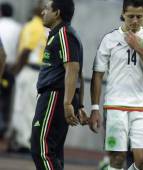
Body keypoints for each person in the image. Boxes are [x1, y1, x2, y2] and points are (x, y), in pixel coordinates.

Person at [89, 0, 143, 169]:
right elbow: (97, 74)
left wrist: (140, 48)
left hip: (142, 108)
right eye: (130, 16)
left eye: (139, 17)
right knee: (117, 159)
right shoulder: (109, 39)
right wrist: (95, 107)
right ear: (123, 14)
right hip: (115, 107)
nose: (134, 21)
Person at [30, 0, 87, 169]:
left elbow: (73, 68)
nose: (42, 12)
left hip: (54, 96)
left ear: (57, 13)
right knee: (52, 152)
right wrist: (79, 103)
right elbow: (77, 72)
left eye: (46, 9)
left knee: (42, 149)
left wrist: (69, 102)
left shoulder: (64, 34)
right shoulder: (60, 34)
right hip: (55, 97)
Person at [7, 0, 48, 153]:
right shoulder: (39, 27)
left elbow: (24, 50)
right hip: (32, 71)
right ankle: (22, 140)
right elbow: (25, 50)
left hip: (30, 71)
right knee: (26, 106)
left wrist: (16, 69)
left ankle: (23, 140)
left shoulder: (33, 26)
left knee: (23, 106)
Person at [0, 2, 21, 136]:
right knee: (6, 99)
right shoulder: (18, 28)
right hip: (10, 68)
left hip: (1, 63)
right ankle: (3, 128)